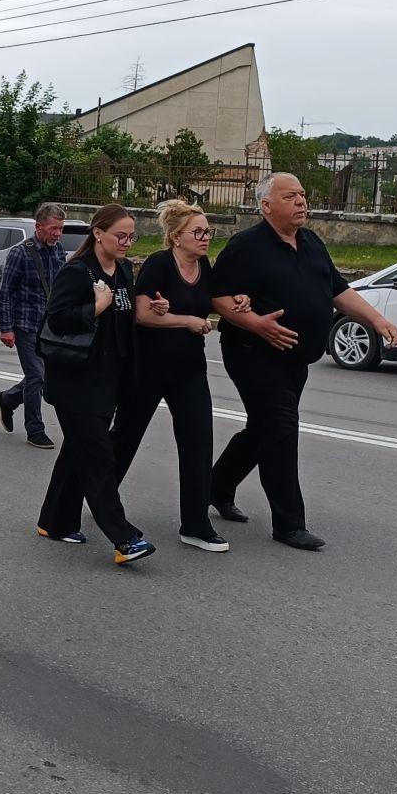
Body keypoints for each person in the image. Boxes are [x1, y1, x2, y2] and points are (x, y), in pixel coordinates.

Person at [209, 172, 397, 552]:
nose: (301, 202)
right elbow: (217, 295)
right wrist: (256, 324)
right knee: (281, 430)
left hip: (295, 358)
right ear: (266, 206)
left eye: (302, 195)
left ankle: (215, 486)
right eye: (290, 196)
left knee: (263, 429)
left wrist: (376, 320)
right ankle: (289, 524)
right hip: (253, 353)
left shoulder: (311, 241)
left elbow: (338, 290)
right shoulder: (246, 245)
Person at [35, 204, 154, 564]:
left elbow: (125, 320)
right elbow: (57, 319)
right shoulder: (76, 272)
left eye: (132, 236)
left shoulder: (125, 270)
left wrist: (155, 310)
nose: (127, 242)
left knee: (78, 451)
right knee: (99, 457)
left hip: (110, 379)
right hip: (75, 381)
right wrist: (96, 307)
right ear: (98, 233)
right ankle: (124, 538)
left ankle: (54, 521)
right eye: (121, 236)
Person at [114, 201, 230, 551]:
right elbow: (142, 315)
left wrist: (236, 301)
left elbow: (209, 300)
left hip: (189, 369)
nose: (206, 237)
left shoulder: (203, 265)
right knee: (125, 437)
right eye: (198, 232)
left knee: (198, 442)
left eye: (208, 231)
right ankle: (97, 496)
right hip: (149, 368)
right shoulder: (159, 264)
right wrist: (184, 320)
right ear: (177, 237)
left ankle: (195, 524)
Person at [0, 202, 66, 451]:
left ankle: (8, 398)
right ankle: (35, 430)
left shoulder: (58, 252)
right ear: (38, 227)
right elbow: (5, 293)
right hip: (25, 324)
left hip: (50, 326)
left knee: (45, 376)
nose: (58, 234)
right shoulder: (20, 253)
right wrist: (6, 328)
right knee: (37, 375)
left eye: (61, 229)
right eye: (53, 228)